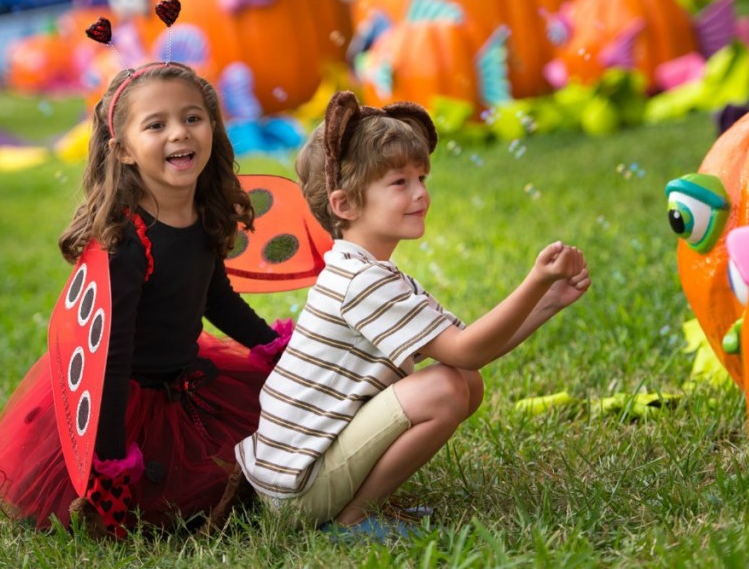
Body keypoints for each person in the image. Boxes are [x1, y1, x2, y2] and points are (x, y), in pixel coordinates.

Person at [0, 62, 292, 539]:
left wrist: (274, 351)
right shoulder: (126, 243)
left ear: (213, 127)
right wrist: (109, 463)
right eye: (156, 125)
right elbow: (109, 358)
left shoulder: (207, 212)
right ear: (124, 150)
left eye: (193, 118)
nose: (180, 133)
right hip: (120, 402)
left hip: (187, 380)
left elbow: (218, 299)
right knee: (182, 506)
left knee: (279, 450)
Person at [235, 90, 592, 540]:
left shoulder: (367, 270)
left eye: (421, 177)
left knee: (464, 383)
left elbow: (471, 354)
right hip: (296, 490)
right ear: (345, 205)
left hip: (300, 473)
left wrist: (548, 303)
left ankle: (362, 500)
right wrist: (534, 282)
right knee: (445, 388)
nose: (421, 193)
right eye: (399, 182)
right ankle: (351, 520)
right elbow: (466, 351)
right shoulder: (362, 281)